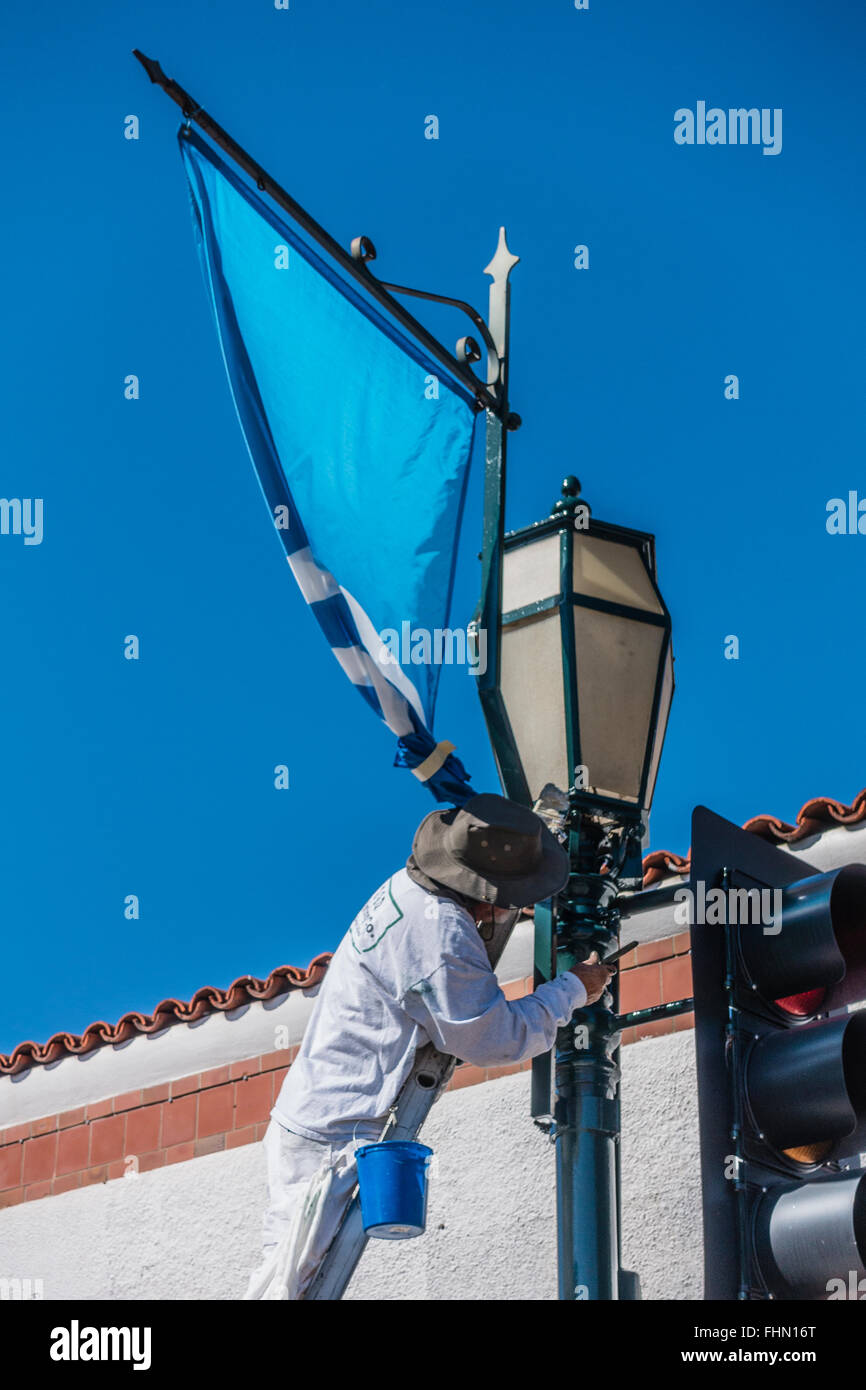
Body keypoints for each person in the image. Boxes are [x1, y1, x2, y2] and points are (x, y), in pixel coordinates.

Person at [243, 792, 613, 1299]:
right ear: (486, 893)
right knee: (289, 1289)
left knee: (288, 1273)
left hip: (316, 1119)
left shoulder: (408, 889)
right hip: (333, 1134)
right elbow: (494, 1036)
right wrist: (574, 990)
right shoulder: (440, 935)